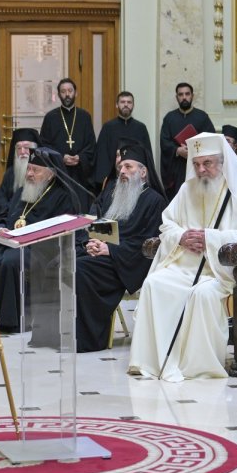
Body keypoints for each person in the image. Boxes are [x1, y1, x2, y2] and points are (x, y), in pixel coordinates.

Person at [128, 133, 237, 381]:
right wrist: (182, 236)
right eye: (196, 164)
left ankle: (197, 366)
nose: (201, 169)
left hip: (222, 270)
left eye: (207, 163)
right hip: (186, 265)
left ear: (221, 162)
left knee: (201, 294)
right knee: (154, 283)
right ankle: (152, 361)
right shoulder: (187, 189)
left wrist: (211, 238)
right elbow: (167, 224)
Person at [75, 144, 165, 352]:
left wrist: (111, 251)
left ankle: (88, 339)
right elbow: (93, 221)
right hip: (100, 255)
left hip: (127, 263)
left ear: (143, 172)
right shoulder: (111, 194)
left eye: (128, 167)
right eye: (121, 167)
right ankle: (63, 333)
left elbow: (149, 243)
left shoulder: (154, 201)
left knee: (80, 270)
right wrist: (89, 243)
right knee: (63, 261)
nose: (122, 171)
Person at [0, 147, 79, 333]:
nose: (29, 174)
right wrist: (0, 228)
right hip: (12, 244)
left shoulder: (64, 197)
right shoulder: (23, 191)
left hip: (43, 250)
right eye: (28, 168)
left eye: (35, 170)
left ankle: (9, 321)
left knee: (10, 261)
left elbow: (62, 232)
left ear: (51, 174)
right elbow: (2, 214)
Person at [158, 82, 215, 198]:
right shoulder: (169, 118)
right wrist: (178, 150)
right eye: (181, 94)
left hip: (198, 167)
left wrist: (194, 151)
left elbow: (211, 140)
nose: (184, 97)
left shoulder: (202, 117)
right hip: (177, 169)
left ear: (192, 96)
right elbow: (164, 142)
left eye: (187, 94)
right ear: (177, 97)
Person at [39, 77, 96, 191]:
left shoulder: (85, 116)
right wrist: (60, 157)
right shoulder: (50, 117)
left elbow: (91, 144)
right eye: (63, 91)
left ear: (76, 93)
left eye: (70, 91)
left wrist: (80, 157)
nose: (67, 94)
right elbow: (44, 144)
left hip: (80, 172)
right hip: (58, 172)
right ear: (59, 95)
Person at [94, 90, 153, 188]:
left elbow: (147, 155)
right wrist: (104, 179)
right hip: (113, 180)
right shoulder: (108, 127)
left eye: (129, 102)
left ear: (133, 105)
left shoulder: (141, 128)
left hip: (136, 179)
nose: (126, 105)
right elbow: (101, 156)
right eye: (122, 102)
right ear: (117, 105)